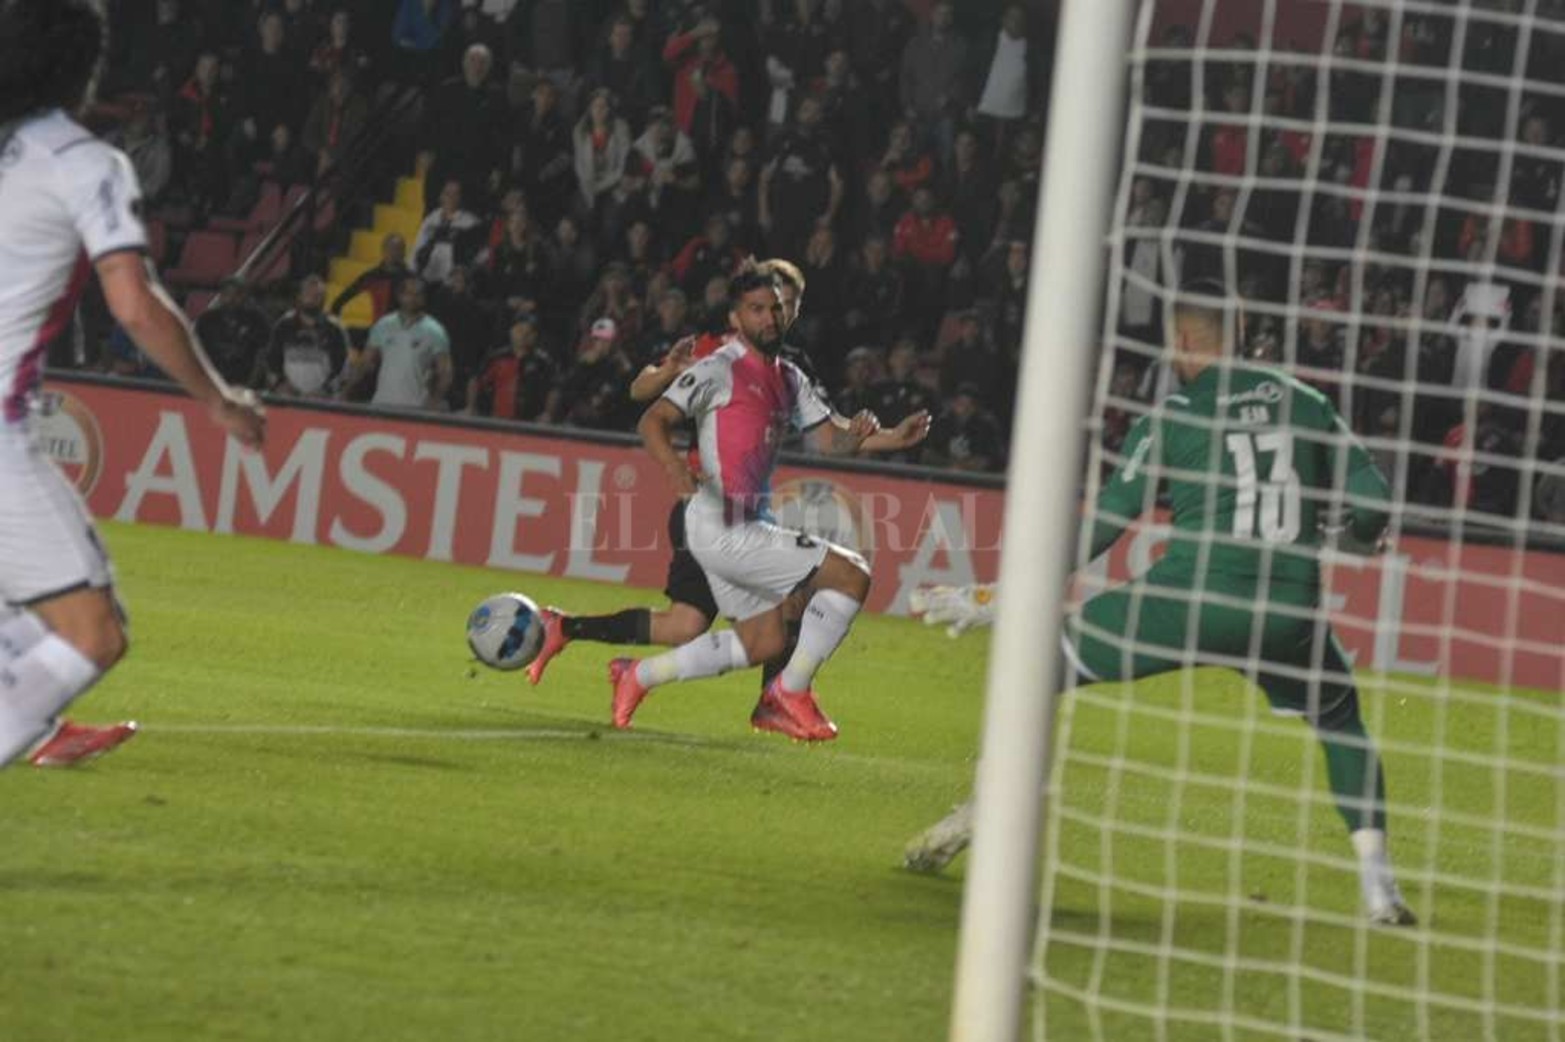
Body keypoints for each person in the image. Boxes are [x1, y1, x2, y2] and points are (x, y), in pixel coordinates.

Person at [902, 281, 1416, 928]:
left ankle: (983, 815)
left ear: (1181, 341)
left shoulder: (1174, 414)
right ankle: (1379, 890)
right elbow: (1371, 505)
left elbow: (1109, 521)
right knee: (1341, 724)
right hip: (1290, 614)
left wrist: (1014, 594)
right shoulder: (1307, 402)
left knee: (1030, 673)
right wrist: (1360, 540)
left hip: (1189, 599)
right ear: (1240, 332)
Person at [0, 0, 265, 770]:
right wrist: (218, 398)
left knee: (29, 619)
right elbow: (135, 304)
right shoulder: (84, 163)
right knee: (91, 634)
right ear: (84, 70)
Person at [602, 262, 928, 740]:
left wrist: (892, 438)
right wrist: (676, 472)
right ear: (736, 318)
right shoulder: (720, 367)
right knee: (852, 573)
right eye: (757, 310)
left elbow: (831, 441)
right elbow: (652, 419)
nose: (770, 318)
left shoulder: (790, 377)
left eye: (776, 308)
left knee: (764, 640)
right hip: (718, 525)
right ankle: (789, 692)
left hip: (743, 522)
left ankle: (637, 676)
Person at [350, 278, 452, 410]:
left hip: (416, 407)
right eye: (408, 293)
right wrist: (347, 390)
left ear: (424, 298)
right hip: (381, 402)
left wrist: (434, 401)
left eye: (418, 294)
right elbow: (365, 363)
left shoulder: (435, 331)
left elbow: (445, 372)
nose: (412, 298)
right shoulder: (383, 325)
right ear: (400, 296)